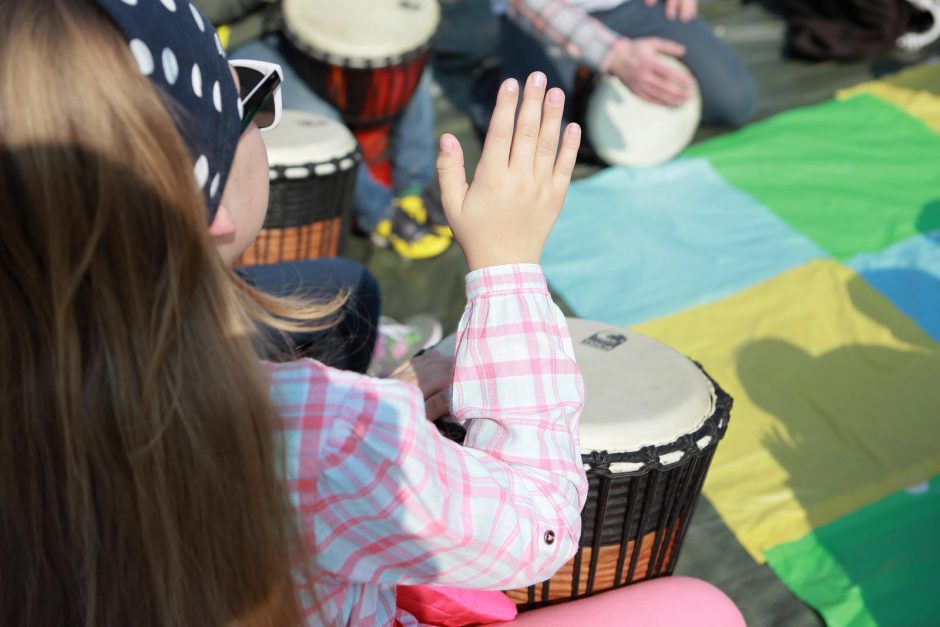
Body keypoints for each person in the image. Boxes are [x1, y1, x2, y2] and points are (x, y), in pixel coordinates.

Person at [0, 2, 744, 625]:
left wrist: (385, 400)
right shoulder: (314, 430)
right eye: (249, 102)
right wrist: (508, 266)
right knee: (701, 606)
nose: (262, 110)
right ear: (217, 208)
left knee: (349, 284)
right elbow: (538, 523)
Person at [194, 0, 453, 261]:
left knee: (409, 62)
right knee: (319, 115)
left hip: (310, 23)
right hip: (247, 36)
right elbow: (208, 10)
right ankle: (379, 214)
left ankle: (413, 188)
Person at [493, 0, 759, 128]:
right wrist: (614, 56)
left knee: (735, 102)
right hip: (537, 20)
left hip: (635, 5)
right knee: (536, 149)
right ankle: (483, 80)